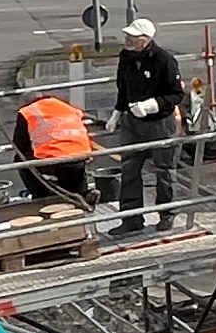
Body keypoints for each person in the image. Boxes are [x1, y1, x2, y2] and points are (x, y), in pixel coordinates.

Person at [109, 17, 184, 234]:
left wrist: (152, 105)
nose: (128, 40)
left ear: (146, 39)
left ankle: (167, 214)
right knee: (129, 169)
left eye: (132, 37)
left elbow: (176, 94)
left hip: (160, 123)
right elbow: (122, 85)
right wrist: (118, 111)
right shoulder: (126, 58)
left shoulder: (164, 60)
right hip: (132, 122)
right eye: (127, 36)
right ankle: (131, 219)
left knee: (165, 171)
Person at [10, 91, 97, 210]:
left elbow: (19, 145)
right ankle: (84, 193)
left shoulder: (27, 112)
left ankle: (41, 196)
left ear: (25, 104)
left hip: (55, 161)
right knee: (74, 169)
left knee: (21, 159)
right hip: (81, 156)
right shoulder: (65, 106)